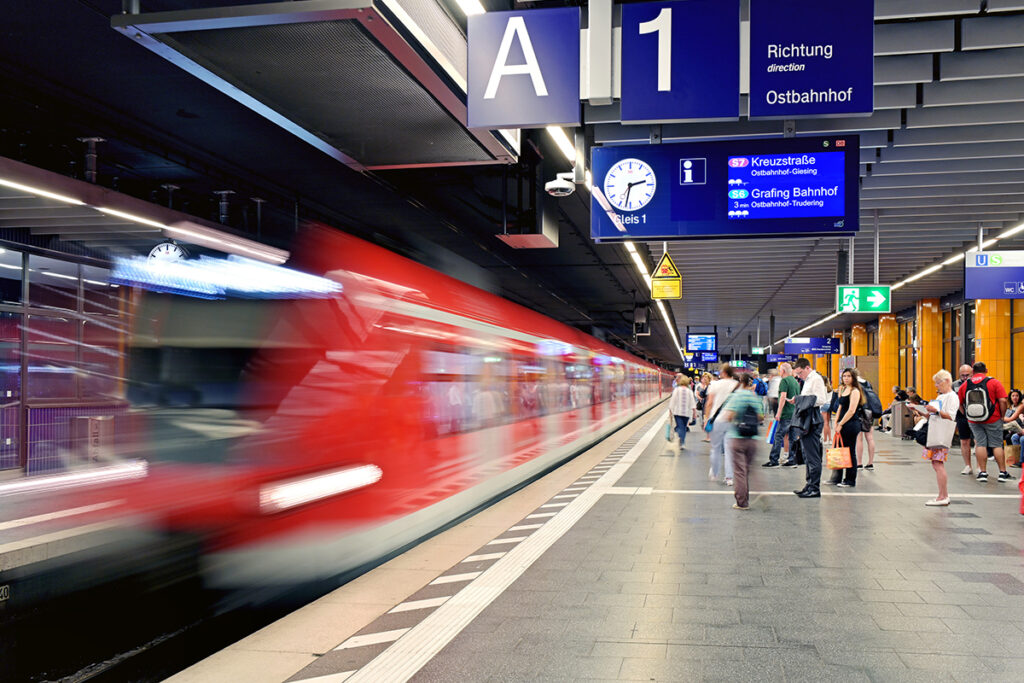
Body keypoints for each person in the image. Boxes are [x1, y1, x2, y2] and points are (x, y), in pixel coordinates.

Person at [957, 361, 1014, 483]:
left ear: (973, 371)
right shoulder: (993, 382)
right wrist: (1002, 416)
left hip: (974, 419)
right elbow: (1003, 401)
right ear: (986, 370)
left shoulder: (965, 384)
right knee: (997, 444)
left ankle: (982, 472)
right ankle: (1002, 473)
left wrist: (966, 414)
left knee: (980, 444)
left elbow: (959, 403)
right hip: (993, 418)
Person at [721, 373, 764, 510]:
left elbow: (728, 416)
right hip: (753, 439)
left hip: (737, 438)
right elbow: (761, 417)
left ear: (740, 382)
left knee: (740, 472)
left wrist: (737, 419)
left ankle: (742, 502)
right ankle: (760, 490)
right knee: (748, 469)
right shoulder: (754, 397)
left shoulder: (736, 396)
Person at [790, 357, 829, 498]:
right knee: (807, 455)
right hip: (807, 418)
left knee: (813, 456)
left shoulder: (816, 379)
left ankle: (814, 488)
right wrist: (798, 399)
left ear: (807, 368)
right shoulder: (807, 380)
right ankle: (809, 485)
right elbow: (808, 398)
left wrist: (801, 400)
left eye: (800, 373)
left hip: (813, 419)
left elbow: (821, 399)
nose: (799, 376)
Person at [923, 369, 960, 506]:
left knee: (938, 464)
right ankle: (941, 495)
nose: (936, 386)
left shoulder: (952, 397)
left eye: (938, 383)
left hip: (941, 433)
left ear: (947, 381)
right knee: (935, 463)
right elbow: (934, 414)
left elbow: (951, 416)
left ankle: (943, 496)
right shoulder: (940, 397)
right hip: (935, 431)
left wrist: (936, 411)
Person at [830, 368, 866, 487]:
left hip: (851, 424)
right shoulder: (844, 389)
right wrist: (836, 422)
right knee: (839, 450)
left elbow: (851, 410)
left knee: (850, 451)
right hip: (842, 423)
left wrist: (841, 424)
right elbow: (840, 406)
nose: (846, 378)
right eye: (844, 376)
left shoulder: (855, 391)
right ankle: (836, 478)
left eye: (848, 376)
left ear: (853, 378)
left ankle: (850, 480)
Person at [705, 364, 739, 486]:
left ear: (724, 372)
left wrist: (706, 418)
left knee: (715, 448)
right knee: (730, 450)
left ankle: (714, 473)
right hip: (732, 421)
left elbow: (709, 403)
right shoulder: (737, 385)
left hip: (717, 421)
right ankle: (729, 478)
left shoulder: (715, 384)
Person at [764, 362, 799, 467]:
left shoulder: (784, 381)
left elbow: (783, 397)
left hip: (785, 413)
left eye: (780, 370)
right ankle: (792, 459)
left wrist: (778, 413)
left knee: (778, 436)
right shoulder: (795, 381)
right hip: (794, 413)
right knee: (792, 437)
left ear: (783, 371)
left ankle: (774, 460)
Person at [952, 364, 975, 475]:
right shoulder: (955, 385)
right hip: (961, 416)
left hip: (977, 415)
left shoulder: (977, 383)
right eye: (963, 376)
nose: (965, 378)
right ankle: (967, 465)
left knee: (978, 440)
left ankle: (980, 467)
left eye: (968, 375)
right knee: (964, 441)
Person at [668, 374, 697, 452]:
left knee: (680, 427)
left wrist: (670, 411)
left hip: (677, 412)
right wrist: (694, 413)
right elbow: (692, 403)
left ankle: (680, 439)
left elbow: (673, 401)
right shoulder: (689, 391)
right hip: (687, 413)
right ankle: (682, 442)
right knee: (683, 428)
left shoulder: (676, 390)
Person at [696, 373, 712, 441]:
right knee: (705, 420)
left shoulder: (709, 386)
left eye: (706, 377)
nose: (704, 379)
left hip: (707, 407)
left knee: (706, 420)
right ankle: (708, 437)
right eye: (703, 377)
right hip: (705, 406)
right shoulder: (706, 386)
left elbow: (704, 395)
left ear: (709, 378)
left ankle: (709, 437)